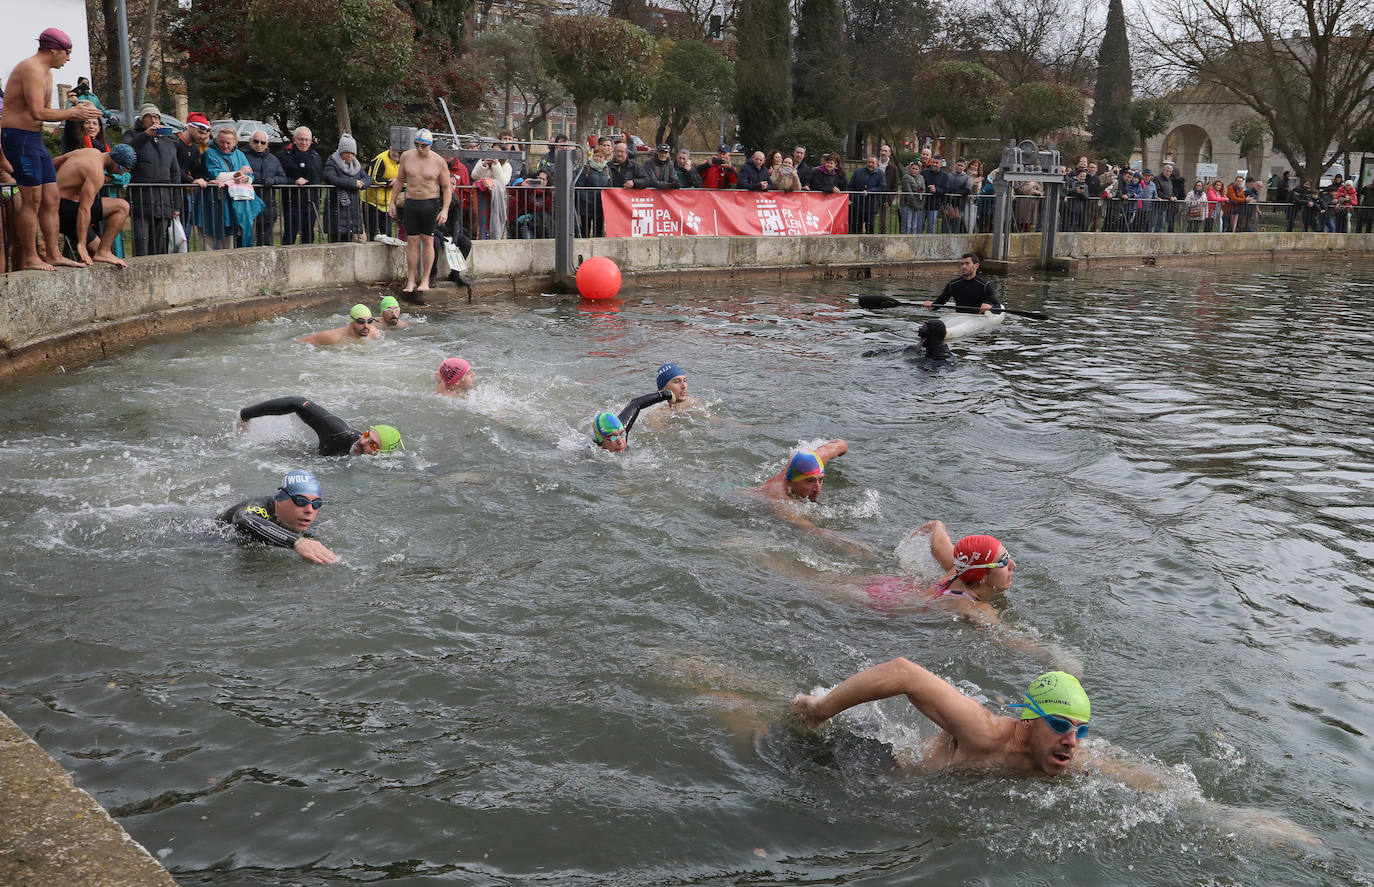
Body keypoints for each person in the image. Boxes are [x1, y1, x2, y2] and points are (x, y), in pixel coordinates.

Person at [792, 663, 1089, 776]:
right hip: (875, 760)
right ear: (1028, 720)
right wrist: (821, 710)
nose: (1071, 741)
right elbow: (903, 673)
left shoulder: (1069, 754)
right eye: (1060, 724)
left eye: (1081, 730)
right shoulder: (984, 733)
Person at [1, 27, 103, 270]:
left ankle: (53, 253)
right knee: (32, 200)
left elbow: (47, 112)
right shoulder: (31, 69)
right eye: (67, 53)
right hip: (19, 138)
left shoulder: (46, 72)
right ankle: (29, 257)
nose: (68, 58)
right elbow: (38, 112)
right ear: (53, 50)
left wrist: (75, 108)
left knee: (51, 197)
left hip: (34, 140)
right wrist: (73, 113)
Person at [217, 469, 339, 564]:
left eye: (316, 504)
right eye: (301, 502)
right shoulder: (259, 508)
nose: (309, 510)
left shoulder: (307, 523)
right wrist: (298, 542)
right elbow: (244, 520)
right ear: (281, 500)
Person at [235, 395, 402, 456]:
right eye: (367, 436)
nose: (363, 442)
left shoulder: (382, 465)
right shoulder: (338, 432)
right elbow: (297, 402)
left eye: (372, 444)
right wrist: (245, 416)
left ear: (380, 454)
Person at [390, 129, 452, 292]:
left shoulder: (439, 162)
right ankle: (411, 281)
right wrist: (392, 203)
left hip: (430, 204)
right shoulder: (406, 157)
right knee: (412, 241)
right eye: (417, 145)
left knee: (428, 241)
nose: (419, 148)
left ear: (430, 145)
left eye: (423, 145)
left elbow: (446, 188)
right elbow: (399, 181)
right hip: (411, 203)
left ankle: (425, 280)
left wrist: (444, 210)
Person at [52, 144, 132, 267]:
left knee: (96, 249)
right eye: (121, 170)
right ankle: (104, 251)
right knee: (122, 206)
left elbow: (57, 161)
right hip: (65, 209)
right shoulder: (96, 173)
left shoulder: (88, 151)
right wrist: (82, 243)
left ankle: (102, 252)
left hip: (56, 209)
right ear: (115, 162)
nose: (120, 174)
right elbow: (84, 209)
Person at [124, 103, 182, 256]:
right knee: (141, 242)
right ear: (142, 119)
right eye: (149, 116)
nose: (153, 120)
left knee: (160, 245)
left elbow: (175, 172)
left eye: (156, 116)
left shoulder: (168, 141)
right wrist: (146, 135)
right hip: (140, 199)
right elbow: (126, 152)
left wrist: (177, 203)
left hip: (164, 200)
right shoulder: (132, 135)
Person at [198, 124, 264, 249]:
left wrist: (247, 178)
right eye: (221, 142)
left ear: (234, 142)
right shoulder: (210, 153)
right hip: (213, 201)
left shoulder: (240, 154)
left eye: (228, 143)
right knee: (210, 235)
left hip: (235, 201)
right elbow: (216, 175)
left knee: (230, 238)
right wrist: (239, 173)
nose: (225, 146)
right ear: (216, 140)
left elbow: (251, 175)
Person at [752, 440, 848, 503]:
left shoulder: (815, 463)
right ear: (791, 482)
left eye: (820, 480)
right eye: (810, 481)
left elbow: (839, 445)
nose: (817, 489)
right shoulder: (779, 498)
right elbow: (804, 526)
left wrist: (842, 447)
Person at [322, 133, 372, 243]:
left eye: (352, 153)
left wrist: (362, 183)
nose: (350, 156)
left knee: (349, 242)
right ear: (341, 152)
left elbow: (368, 178)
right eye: (347, 153)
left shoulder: (356, 166)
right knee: (336, 243)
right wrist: (353, 183)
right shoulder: (332, 163)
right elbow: (331, 178)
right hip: (336, 208)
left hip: (352, 210)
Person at [279, 126, 323, 245]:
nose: (304, 143)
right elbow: (280, 177)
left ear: (311, 141)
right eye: (301, 139)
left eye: (306, 140)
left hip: (311, 202)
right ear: (294, 140)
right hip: (291, 201)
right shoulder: (284, 155)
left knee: (308, 234)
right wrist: (294, 181)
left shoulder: (315, 156)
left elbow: (318, 177)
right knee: (290, 234)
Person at [591, 389, 673, 452]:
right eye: (613, 437)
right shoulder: (592, 453)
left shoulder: (621, 429)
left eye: (622, 434)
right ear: (601, 442)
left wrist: (664, 394)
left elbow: (636, 404)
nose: (620, 442)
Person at [243, 129, 286, 246]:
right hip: (248, 205)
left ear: (267, 144)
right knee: (246, 243)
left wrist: (273, 180)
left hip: (267, 207)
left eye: (262, 142)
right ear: (250, 141)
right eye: (256, 141)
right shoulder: (243, 156)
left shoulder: (273, 159)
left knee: (266, 243)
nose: (259, 145)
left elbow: (283, 178)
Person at [923, 252, 1000, 314]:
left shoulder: (985, 285)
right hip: (959, 317)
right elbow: (939, 303)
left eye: (967, 263)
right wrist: (931, 305)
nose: (963, 267)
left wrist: (990, 306)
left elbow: (998, 308)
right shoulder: (953, 284)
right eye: (962, 264)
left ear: (976, 266)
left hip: (978, 318)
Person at [295, 303, 383, 345]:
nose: (366, 326)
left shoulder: (373, 333)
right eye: (361, 321)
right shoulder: (333, 337)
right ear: (352, 321)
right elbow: (298, 344)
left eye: (369, 321)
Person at [365, 144, 401, 241]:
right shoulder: (381, 159)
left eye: (398, 152)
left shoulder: (402, 161)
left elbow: (405, 179)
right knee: (373, 233)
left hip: (387, 203)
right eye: (394, 150)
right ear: (389, 148)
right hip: (372, 201)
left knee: (388, 233)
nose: (396, 154)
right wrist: (389, 182)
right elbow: (373, 179)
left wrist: (398, 181)